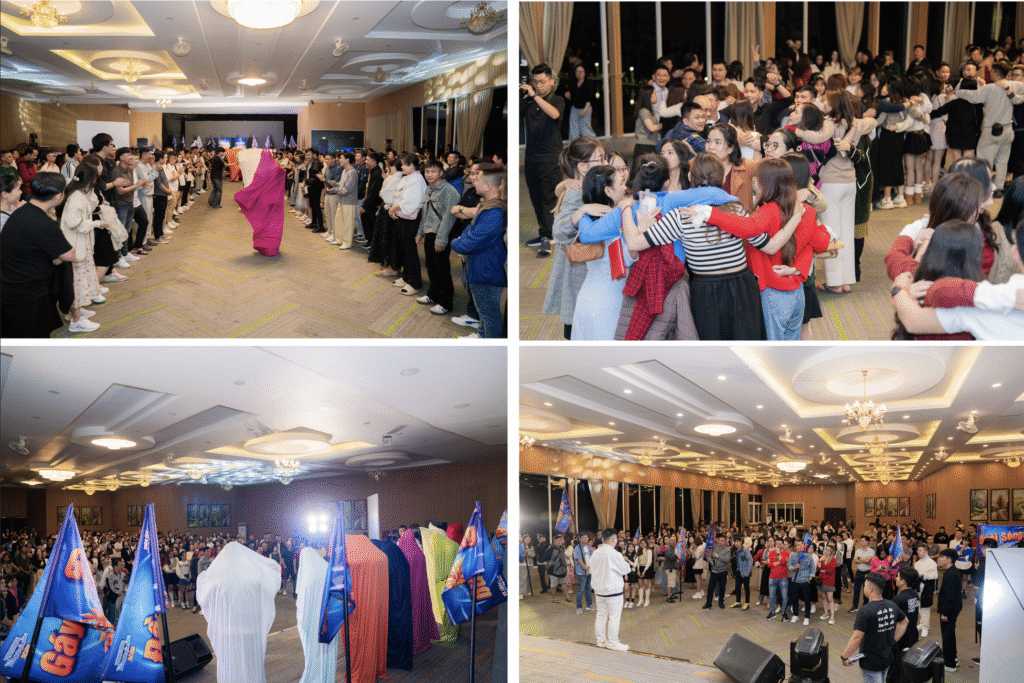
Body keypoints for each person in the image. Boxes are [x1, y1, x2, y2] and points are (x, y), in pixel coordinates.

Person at [0, 172, 74, 337]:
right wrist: (57, 257)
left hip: (12, 286)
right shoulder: (44, 224)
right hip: (29, 295)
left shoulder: (20, 211)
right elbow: (70, 255)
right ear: (58, 196)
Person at [450, 163, 506, 338]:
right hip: (480, 267)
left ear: (488, 186)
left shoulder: (494, 212)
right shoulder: (486, 206)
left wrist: (455, 242)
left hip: (487, 271)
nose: (473, 180)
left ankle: (491, 346)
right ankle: (482, 337)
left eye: (478, 178)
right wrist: (463, 239)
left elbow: (469, 243)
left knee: (489, 315)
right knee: (484, 313)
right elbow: (470, 230)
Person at [521, 63, 565, 256]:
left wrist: (535, 96)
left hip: (550, 157)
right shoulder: (529, 101)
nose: (538, 85)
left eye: (542, 81)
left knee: (549, 198)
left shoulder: (557, 100)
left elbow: (554, 114)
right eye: (535, 82)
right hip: (531, 157)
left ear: (551, 82)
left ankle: (548, 237)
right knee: (536, 198)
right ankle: (545, 232)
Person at [841, 572, 908, 682]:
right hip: (887, 658)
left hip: (871, 663)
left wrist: (845, 656)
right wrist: (894, 640)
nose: (864, 588)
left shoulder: (865, 611)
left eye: (865, 585)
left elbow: (857, 637)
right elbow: (904, 621)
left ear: (870, 589)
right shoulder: (892, 605)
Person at [416, 160, 460, 315]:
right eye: (427, 171)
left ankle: (446, 303)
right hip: (429, 233)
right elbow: (425, 213)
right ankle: (433, 294)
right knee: (431, 267)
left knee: (442, 270)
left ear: (441, 173)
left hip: (440, 235)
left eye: (433, 171)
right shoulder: (429, 189)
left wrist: (441, 239)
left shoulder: (449, 191)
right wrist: (420, 232)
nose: (430, 174)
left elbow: (449, 217)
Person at [590, 528, 631, 651]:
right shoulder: (614, 554)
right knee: (614, 617)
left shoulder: (595, 553)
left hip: (599, 591)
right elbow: (626, 569)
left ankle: (601, 641)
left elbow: (591, 569)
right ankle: (612, 643)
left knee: (601, 617)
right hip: (613, 591)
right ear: (614, 540)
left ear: (602, 539)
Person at [888, 567, 920, 683]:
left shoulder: (898, 600)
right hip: (913, 636)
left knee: (895, 671)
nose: (895, 578)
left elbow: (894, 622)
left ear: (903, 582)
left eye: (897, 576)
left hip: (900, 640)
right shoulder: (915, 595)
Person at [935, 548, 963, 672]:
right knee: (950, 634)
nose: (939, 559)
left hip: (950, 610)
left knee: (947, 636)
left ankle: (950, 664)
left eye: (941, 557)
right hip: (952, 608)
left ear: (947, 559)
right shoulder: (951, 571)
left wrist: (945, 612)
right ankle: (953, 658)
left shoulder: (951, 573)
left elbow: (950, 595)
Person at [564, 64, 597, 140]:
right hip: (575, 108)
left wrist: (584, 111)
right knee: (573, 129)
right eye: (577, 72)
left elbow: (589, 99)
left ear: (585, 73)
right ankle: (573, 144)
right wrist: (567, 96)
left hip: (586, 108)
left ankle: (591, 143)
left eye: (581, 72)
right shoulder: (573, 83)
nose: (579, 74)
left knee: (585, 129)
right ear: (575, 73)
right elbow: (573, 98)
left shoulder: (588, 84)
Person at [542, 534, 568, 605]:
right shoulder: (550, 549)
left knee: (563, 583)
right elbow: (544, 558)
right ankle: (554, 598)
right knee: (554, 585)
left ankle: (567, 596)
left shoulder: (562, 548)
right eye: (556, 540)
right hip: (552, 570)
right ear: (553, 541)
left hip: (562, 569)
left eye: (560, 540)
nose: (558, 542)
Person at [730, 536, 753, 609]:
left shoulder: (745, 550)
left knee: (746, 588)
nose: (736, 543)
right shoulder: (735, 550)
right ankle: (738, 602)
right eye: (735, 542)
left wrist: (747, 572)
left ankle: (747, 603)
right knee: (737, 587)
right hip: (738, 571)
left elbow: (750, 561)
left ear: (741, 542)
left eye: (737, 542)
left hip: (745, 572)